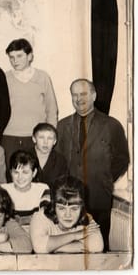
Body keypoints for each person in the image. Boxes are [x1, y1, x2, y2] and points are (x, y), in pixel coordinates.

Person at [56, 78, 129, 251]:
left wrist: (105, 177)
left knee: (98, 248)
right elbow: (57, 160)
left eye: (83, 94)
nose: (79, 99)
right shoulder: (62, 126)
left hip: (99, 198)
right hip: (69, 201)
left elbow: (122, 158)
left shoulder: (112, 125)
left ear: (94, 96)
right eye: (74, 95)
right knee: (70, 248)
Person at [2, 38, 58, 167]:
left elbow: (51, 109)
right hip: (9, 136)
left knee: (35, 173)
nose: (15, 61)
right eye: (11, 57)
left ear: (30, 56)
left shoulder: (42, 77)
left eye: (19, 56)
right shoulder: (5, 78)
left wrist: (49, 135)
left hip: (35, 137)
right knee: (11, 173)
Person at [30, 175, 103, 253]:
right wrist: (74, 235)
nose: (68, 215)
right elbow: (39, 248)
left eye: (74, 209)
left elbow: (97, 246)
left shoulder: (85, 218)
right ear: (53, 207)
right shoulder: (40, 217)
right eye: (61, 208)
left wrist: (52, 248)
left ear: (82, 208)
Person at [1, 150, 50, 226]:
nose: (20, 177)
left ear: (34, 173)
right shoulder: (3, 190)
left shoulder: (42, 189)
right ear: (11, 173)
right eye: (16, 172)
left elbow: (44, 216)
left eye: (25, 172)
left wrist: (21, 220)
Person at [31, 123, 69, 188]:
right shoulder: (23, 157)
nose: (45, 142)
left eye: (50, 138)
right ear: (34, 139)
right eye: (41, 137)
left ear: (55, 141)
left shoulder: (60, 160)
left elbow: (63, 185)